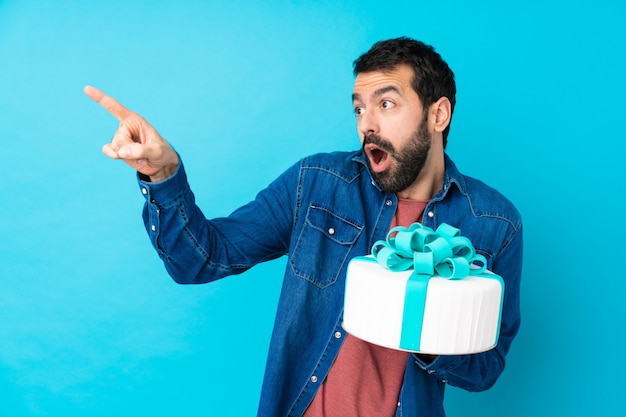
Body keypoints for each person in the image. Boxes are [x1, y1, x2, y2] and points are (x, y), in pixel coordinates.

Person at [85, 37, 522, 417]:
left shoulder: (494, 223)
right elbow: (201, 259)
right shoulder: (316, 183)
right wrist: (162, 175)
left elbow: (486, 368)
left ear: (438, 114)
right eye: (359, 108)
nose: (367, 124)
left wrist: (424, 329)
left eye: (386, 104)